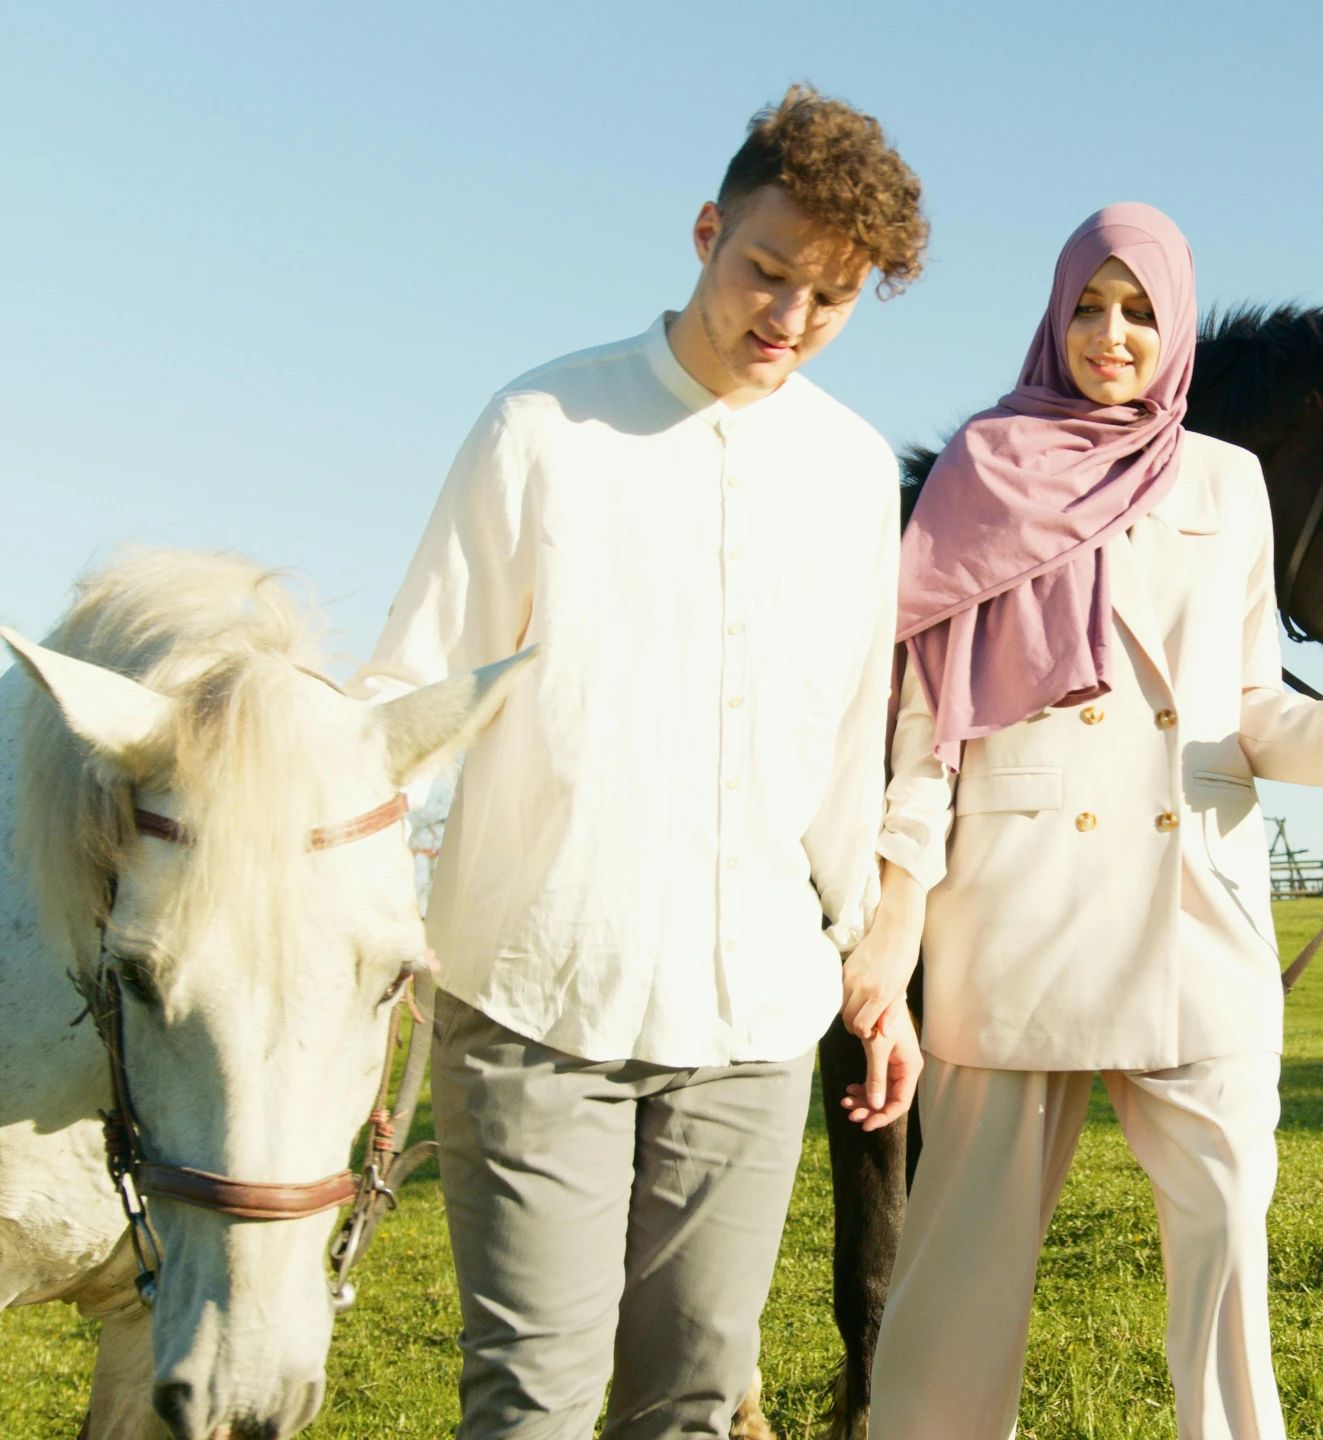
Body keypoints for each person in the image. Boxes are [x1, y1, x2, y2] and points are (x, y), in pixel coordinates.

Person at [349, 86, 929, 1440]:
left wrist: (872, 959)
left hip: (751, 1025)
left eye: (830, 299)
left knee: (687, 1402)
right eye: (765, 273)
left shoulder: (851, 476)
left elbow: (851, 741)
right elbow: (409, 696)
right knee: (533, 1402)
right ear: (706, 229)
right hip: (538, 996)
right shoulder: (541, 426)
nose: (787, 319)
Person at [840, 204, 1323, 1439]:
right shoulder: (982, 467)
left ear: (1173, 332)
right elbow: (922, 716)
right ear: (1056, 316)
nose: (1113, 335)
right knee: (958, 1294)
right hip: (1014, 913)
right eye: (1090, 307)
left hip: (1194, 920)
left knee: (1227, 1250)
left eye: (1141, 312)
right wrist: (897, 906)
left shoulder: (1221, 478)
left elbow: (1250, 705)